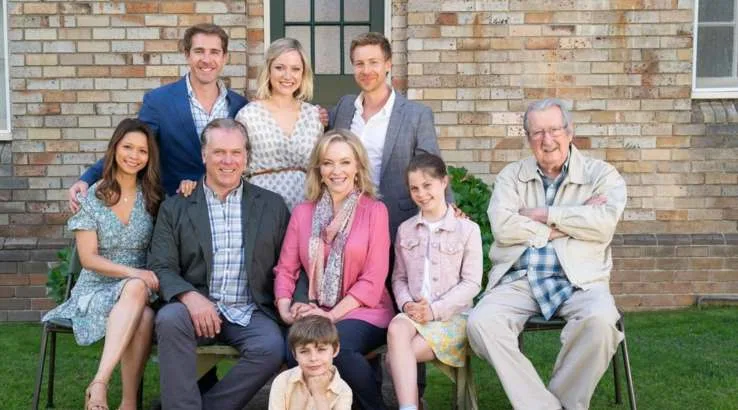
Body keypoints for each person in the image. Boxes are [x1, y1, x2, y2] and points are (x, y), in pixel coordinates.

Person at [466, 98, 627, 410]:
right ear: (528, 138)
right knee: (481, 323)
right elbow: (504, 228)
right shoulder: (511, 176)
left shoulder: (601, 175)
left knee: (601, 321)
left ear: (570, 132)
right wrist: (570, 221)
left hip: (581, 280)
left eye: (554, 130)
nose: (547, 139)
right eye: (538, 132)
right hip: (520, 279)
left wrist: (543, 213)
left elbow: (603, 223)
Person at [328, 31, 452, 405]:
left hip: (400, 223)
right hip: (352, 225)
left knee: (407, 305)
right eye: (359, 63)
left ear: (388, 65)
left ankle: (413, 395)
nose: (366, 70)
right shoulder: (343, 108)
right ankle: (362, 389)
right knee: (361, 305)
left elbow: (431, 165)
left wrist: (447, 208)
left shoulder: (415, 114)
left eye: (373, 62)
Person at [148, 118, 289, 410]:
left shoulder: (271, 205)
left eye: (236, 152)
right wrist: (190, 297)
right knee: (170, 319)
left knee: (270, 347)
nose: (228, 161)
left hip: (249, 309)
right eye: (219, 152)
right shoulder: (175, 207)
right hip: (194, 307)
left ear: (246, 157)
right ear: (204, 155)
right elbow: (161, 265)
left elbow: (288, 264)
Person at [42, 118, 163, 410]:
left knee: (139, 298)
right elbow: (89, 259)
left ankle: (117, 396)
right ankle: (106, 387)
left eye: (142, 151)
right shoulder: (92, 198)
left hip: (138, 291)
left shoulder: (154, 198)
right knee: (143, 311)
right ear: (114, 148)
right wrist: (134, 273)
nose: (134, 156)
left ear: (149, 158)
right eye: (128, 147)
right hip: (97, 289)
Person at [68, 23, 248, 210]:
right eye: (199, 51)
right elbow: (133, 146)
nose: (206, 59)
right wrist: (87, 179)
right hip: (177, 208)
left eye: (214, 52)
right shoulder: (159, 102)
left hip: (230, 207)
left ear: (224, 57)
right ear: (187, 54)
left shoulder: (239, 106)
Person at [273, 129, 394, 410]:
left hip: (365, 310)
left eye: (345, 162)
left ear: (358, 167)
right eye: (328, 163)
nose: (336, 171)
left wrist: (330, 316)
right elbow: (286, 269)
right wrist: (285, 309)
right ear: (319, 169)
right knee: (295, 352)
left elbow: (373, 279)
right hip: (317, 309)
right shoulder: (303, 212)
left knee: (339, 348)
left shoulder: (375, 211)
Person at [386, 154, 482, 410]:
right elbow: (399, 278)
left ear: (444, 182)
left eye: (427, 185)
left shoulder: (467, 230)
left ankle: (409, 406)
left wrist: (434, 310)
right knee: (396, 328)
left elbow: (472, 283)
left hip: (453, 317)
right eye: (414, 188)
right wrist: (407, 304)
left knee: (395, 359)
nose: (421, 194)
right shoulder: (405, 229)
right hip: (415, 314)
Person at [235, 38, 323, 210]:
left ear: (303, 73)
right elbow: (237, 167)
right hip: (261, 208)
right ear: (268, 70)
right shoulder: (248, 115)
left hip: (306, 208)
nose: (287, 76)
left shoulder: (313, 115)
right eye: (280, 68)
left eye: (295, 69)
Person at [268, 315, 352, 410]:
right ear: (295, 354)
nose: (313, 358)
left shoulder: (343, 391)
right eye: (304, 351)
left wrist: (319, 395)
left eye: (321, 349)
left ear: (335, 349)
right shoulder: (282, 381)